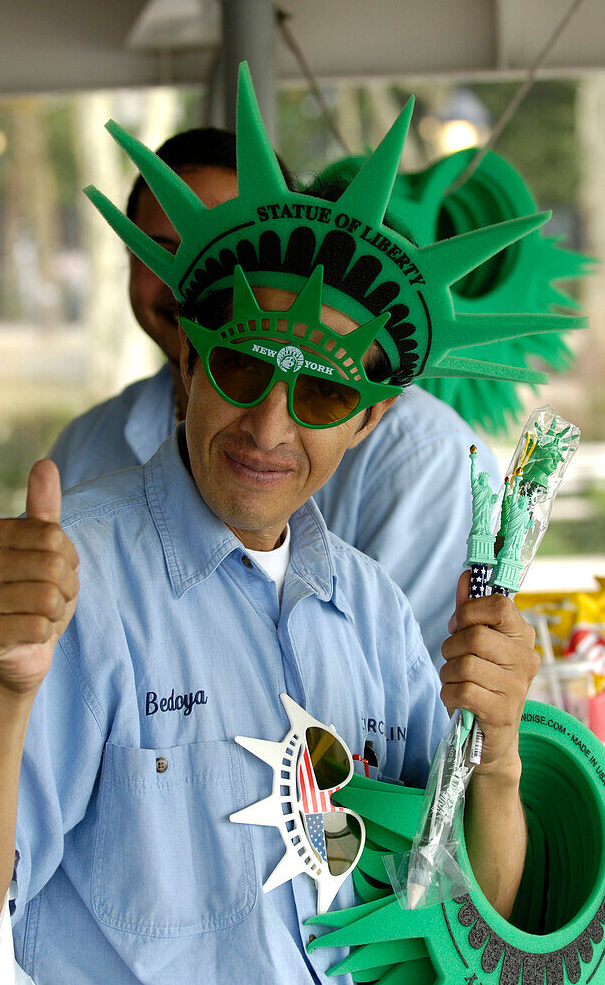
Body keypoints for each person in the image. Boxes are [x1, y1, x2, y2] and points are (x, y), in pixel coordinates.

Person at [0, 69, 550, 985]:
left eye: (319, 390)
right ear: (188, 357)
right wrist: (3, 689)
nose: (267, 426)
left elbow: (466, 916)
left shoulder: (374, 609)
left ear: (372, 418)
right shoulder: (66, 583)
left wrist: (501, 754)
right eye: (243, 368)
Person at [48, 128, 500, 667]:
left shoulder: (420, 472)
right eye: (163, 252)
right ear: (192, 359)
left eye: (326, 394)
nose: (185, 282)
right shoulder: (84, 450)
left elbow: (424, 710)